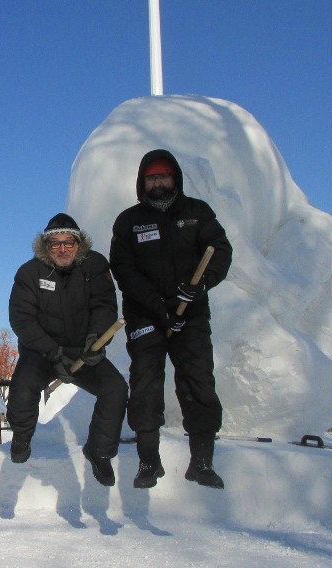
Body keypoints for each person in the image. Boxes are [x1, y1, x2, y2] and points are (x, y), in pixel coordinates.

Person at [109, 149, 232, 490]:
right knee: (146, 382)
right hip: (145, 315)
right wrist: (157, 305)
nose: (158, 182)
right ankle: (149, 461)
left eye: (163, 176)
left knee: (198, 380)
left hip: (190, 312)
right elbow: (123, 269)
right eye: (152, 178)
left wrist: (201, 284)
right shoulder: (129, 221)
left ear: (175, 178)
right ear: (142, 182)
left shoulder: (197, 213)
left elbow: (219, 250)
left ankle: (202, 461)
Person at [6, 213, 129, 486]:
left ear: (78, 244)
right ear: (46, 246)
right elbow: (21, 318)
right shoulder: (29, 272)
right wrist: (51, 352)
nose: (62, 249)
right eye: (55, 243)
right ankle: (22, 438)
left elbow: (105, 306)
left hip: (84, 350)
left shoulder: (95, 266)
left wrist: (96, 341)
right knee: (23, 386)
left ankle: (99, 451)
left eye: (68, 243)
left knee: (116, 390)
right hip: (41, 351)